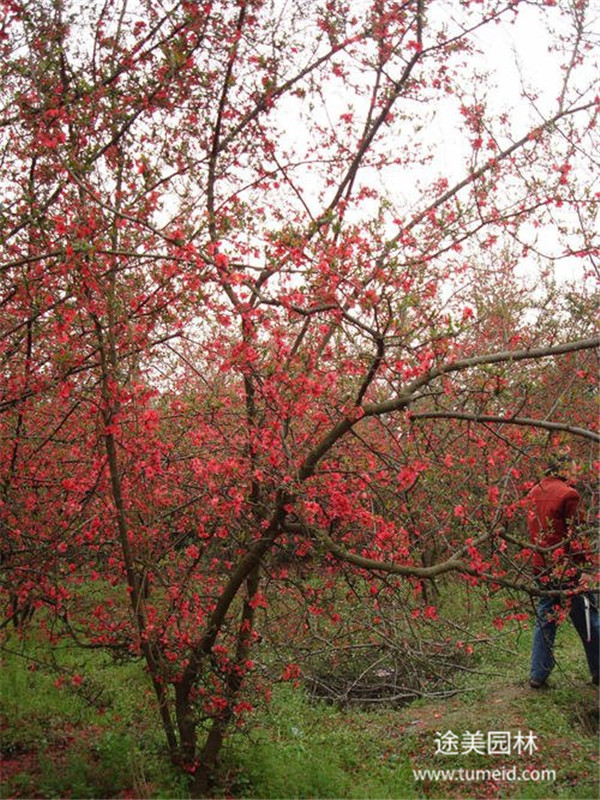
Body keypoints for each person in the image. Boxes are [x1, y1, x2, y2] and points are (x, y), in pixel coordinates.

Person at [526, 452, 599, 688]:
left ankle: (538, 674)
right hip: (566, 569)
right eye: (574, 466)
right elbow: (575, 537)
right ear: (563, 469)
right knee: (589, 617)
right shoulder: (569, 494)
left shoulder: (534, 491)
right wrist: (586, 567)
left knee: (546, 616)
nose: (576, 471)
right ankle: (599, 670)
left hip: (541, 566)